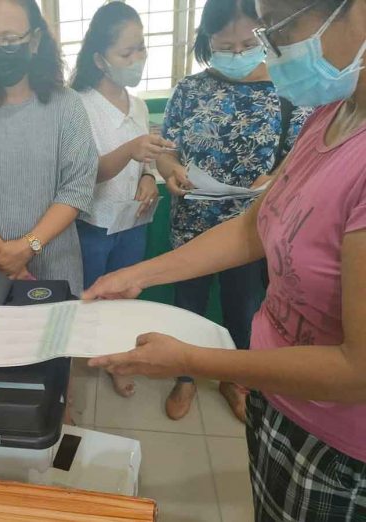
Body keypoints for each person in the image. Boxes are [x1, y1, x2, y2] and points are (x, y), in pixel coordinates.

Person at [84, 0, 366, 518]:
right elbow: (252, 227)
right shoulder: (330, 114)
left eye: (280, 29)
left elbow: (357, 369)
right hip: (279, 396)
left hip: (338, 443)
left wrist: (188, 361)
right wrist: (136, 275)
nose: (269, 50)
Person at [156, 0, 311, 422]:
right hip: (192, 226)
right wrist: (170, 171)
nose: (238, 54)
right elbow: (165, 153)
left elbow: (303, 159)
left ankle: (234, 379)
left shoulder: (290, 90)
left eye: (248, 43)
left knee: (243, 310)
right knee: (186, 306)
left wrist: (276, 179)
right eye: (226, 45)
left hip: (251, 232)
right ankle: (184, 376)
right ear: (208, 42)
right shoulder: (190, 90)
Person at [0, 0, 98, 297]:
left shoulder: (67, 105)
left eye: (10, 39)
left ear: (34, 41)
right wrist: (5, 255)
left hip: (55, 268)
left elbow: (77, 187)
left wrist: (27, 247)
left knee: (57, 341)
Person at [70, 2, 174, 397]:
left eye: (141, 48)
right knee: (93, 294)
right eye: (126, 53)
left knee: (126, 293)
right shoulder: (78, 105)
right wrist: (131, 149)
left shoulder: (139, 103)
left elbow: (146, 157)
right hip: (95, 223)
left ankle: (115, 357)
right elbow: (85, 175)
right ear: (100, 58)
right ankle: (85, 355)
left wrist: (148, 175)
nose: (137, 59)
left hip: (134, 221)